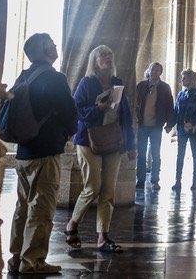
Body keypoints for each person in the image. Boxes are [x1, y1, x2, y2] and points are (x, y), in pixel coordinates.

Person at [7, 33, 77, 276]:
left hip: (24, 151)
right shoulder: (55, 78)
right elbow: (70, 113)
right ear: (46, 50)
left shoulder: (24, 75)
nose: (56, 46)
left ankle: (16, 257)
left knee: (22, 206)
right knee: (42, 208)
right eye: (53, 44)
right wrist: (69, 132)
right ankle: (33, 261)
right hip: (46, 151)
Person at [64, 45, 135, 253]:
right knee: (92, 187)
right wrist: (98, 108)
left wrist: (131, 144)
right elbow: (76, 111)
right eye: (103, 55)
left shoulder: (117, 83)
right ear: (94, 61)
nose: (107, 58)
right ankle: (73, 224)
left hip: (113, 140)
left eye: (110, 55)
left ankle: (103, 237)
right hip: (88, 140)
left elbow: (126, 115)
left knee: (108, 190)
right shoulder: (87, 83)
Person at [133, 61, 175, 191]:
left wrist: (170, 124)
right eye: (153, 69)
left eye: (158, 70)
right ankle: (140, 180)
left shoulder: (165, 87)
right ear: (149, 70)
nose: (155, 72)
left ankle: (155, 180)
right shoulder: (141, 86)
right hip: (142, 125)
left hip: (156, 125)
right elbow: (134, 103)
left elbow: (170, 106)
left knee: (155, 154)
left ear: (161, 72)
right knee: (141, 154)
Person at [173, 69, 196, 192]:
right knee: (180, 155)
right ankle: (177, 181)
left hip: (194, 129)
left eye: (184, 78)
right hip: (182, 129)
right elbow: (176, 110)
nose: (181, 80)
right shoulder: (181, 94)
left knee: (195, 155)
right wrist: (172, 124)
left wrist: (191, 122)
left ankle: (195, 182)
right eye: (182, 78)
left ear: (191, 79)